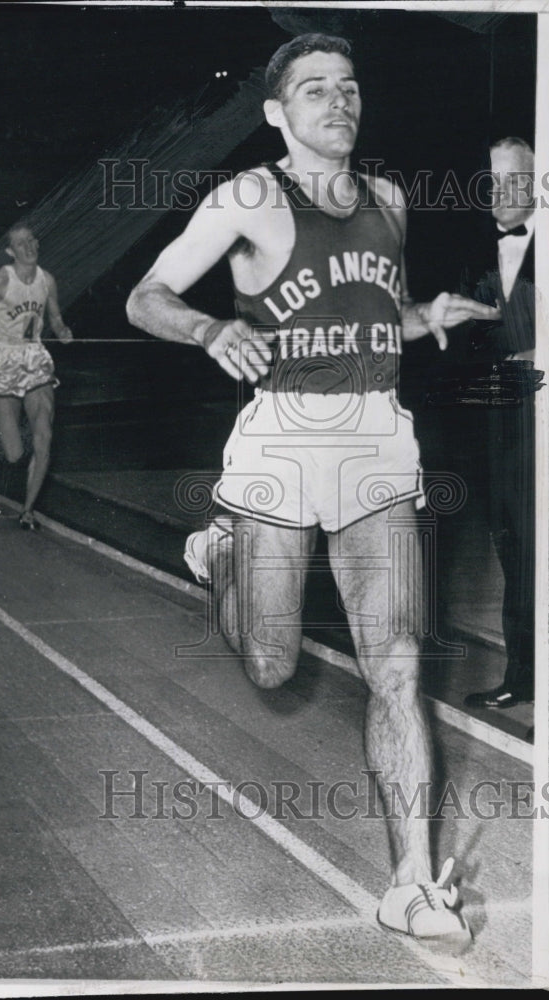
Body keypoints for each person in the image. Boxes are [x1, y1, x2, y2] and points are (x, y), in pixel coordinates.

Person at [127, 32, 500, 952]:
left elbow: (378, 316)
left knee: (397, 662)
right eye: (314, 90)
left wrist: (425, 317)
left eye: (348, 87)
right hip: (283, 438)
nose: (338, 102)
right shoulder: (249, 197)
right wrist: (211, 330)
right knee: (269, 663)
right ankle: (222, 551)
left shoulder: (387, 199)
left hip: (376, 435)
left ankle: (410, 883)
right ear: (275, 113)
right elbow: (147, 295)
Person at [462, 138, 537, 738]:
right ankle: (524, 673)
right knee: (514, 550)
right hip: (508, 425)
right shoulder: (481, 256)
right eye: (487, 182)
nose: (493, 194)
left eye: (507, 181)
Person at [0, 225, 73, 529]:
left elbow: (55, 317)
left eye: (32, 240)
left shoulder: (46, 280)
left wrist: (62, 331)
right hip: (3, 360)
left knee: (44, 436)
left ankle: (27, 511)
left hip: (35, 358)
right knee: (13, 454)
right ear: (11, 251)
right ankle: (10, 437)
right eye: (21, 243)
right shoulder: (0, 279)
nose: (29, 246)